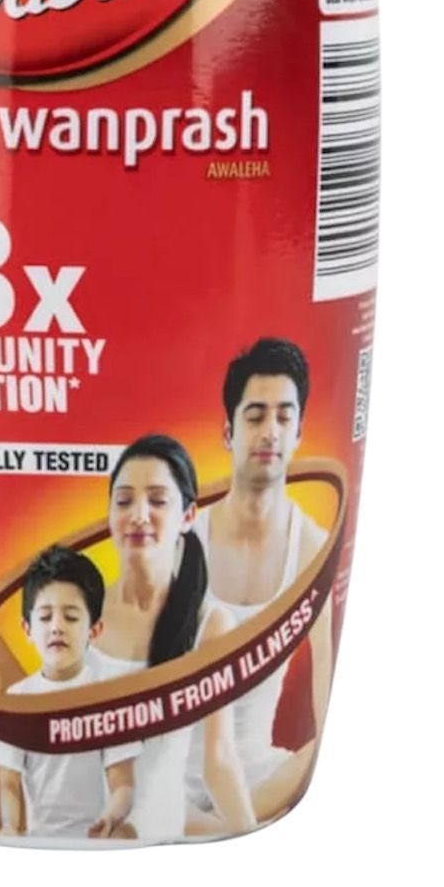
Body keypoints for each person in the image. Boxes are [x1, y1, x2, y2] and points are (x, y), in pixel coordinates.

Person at [186, 338, 332, 829]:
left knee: (307, 756)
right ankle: (218, 826)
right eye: (255, 416)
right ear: (228, 432)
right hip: (171, 778)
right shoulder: (185, 542)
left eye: (284, 417)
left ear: (299, 432)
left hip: (259, 775)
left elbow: (323, 670)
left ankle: (228, 826)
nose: (271, 430)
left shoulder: (311, 546)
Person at [88, 435, 254, 840]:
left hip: (154, 834)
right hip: (68, 828)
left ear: (187, 515)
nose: (138, 515)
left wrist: (254, 839)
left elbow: (219, 760)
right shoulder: (79, 613)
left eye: (158, 501)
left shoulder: (209, 625)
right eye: (124, 501)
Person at [0, 545, 141, 839]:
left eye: (71, 617)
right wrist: (10, 826)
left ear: (94, 630)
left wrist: (110, 817)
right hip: (39, 837)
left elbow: (123, 784)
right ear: (27, 629)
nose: (56, 627)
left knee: (127, 832)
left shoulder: (107, 697)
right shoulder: (17, 701)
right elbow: (9, 783)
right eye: (45, 618)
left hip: (95, 836)